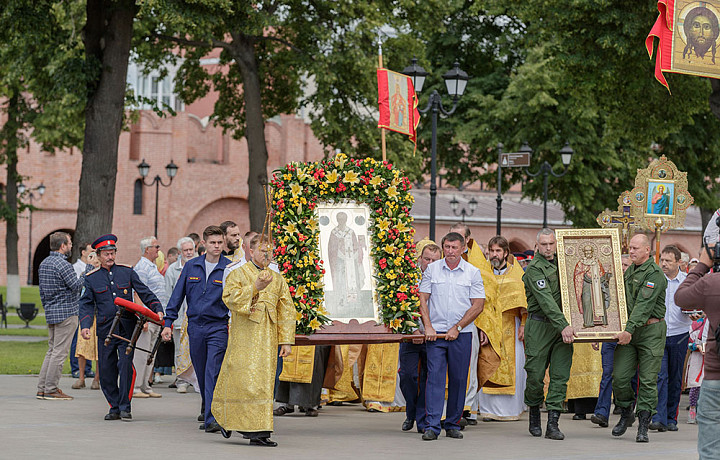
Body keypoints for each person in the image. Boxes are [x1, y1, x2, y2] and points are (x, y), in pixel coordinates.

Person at [213, 235, 296, 447]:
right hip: (245, 337)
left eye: (270, 252)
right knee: (243, 381)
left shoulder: (277, 279)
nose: (267, 255)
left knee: (265, 384)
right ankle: (230, 419)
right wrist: (255, 287)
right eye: (263, 251)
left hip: (268, 339)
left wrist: (286, 340)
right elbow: (229, 299)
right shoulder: (238, 273)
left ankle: (260, 431)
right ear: (251, 251)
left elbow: (286, 309)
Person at [79, 234, 162, 421]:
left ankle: (125, 406)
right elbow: (85, 304)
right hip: (105, 330)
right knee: (107, 371)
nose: (110, 257)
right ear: (98, 256)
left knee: (125, 366)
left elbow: (144, 292)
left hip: (127, 328)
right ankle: (114, 406)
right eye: (106, 254)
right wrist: (85, 325)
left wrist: (157, 308)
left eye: (112, 253)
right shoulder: (91, 278)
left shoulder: (127, 272)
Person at [162, 226, 231, 432]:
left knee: (212, 371)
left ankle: (211, 418)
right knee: (201, 372)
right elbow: (177, 296)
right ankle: (207, 406)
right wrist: (168, 323)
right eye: (213, 243)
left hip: (217, 327)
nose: (217, 246)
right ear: (204, 244)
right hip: (196, 327)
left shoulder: (229, 268)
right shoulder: (192, 267)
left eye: (220, 242)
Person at [418, 232, 485, 441]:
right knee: (434, 379)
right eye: (447, 247)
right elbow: (423, 298)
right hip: (436, 335)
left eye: (455, 247)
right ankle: (432, 425)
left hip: (461, 334)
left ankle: (453, 423)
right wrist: (427, 326)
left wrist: (458, 326)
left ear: (463, 248)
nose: (450, 252)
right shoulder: (432, 269)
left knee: (458, 379)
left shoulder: (472, 273)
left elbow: (478, 305)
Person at [611, 234, 667, 443]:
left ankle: (643, 423)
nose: (631, 251)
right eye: (630, 248)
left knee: (648, 380)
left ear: (647, 250)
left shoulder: (655, 274)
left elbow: (644, 306)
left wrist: (629, 329)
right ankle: (627, 412)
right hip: (629, 332)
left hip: (650, 331)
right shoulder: (628, 272)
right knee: (620, 378)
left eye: (635, 248)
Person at [523, 228, 575, 440]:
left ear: (556, 244)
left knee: (560, 376)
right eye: (543, 244)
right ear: (537, 245)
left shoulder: (565, 264)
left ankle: (553, 422)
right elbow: (546, 301)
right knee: (535, 375)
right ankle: (534, 411)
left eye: (551, 244)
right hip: (540, 327)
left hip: (563, 328)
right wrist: (563, 324)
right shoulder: (534, 268)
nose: (547, 248)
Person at [674, 241, 720, 459]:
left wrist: (702, 265)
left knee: (710, 449)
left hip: (715, 375)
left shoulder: (712, 283)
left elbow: (681, 298)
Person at [475, 236, 528, 422]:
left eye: (498, 251)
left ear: (506, 252)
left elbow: (524, 301)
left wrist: (523, 324)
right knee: (488, 362)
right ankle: (488, 410)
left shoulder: (517, 274)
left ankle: (511, 409)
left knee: (514, 366)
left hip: (510, 326)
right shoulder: (482, 273)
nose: (494, 254)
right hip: (489, 327)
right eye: (492, 251)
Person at [591, 253, 638, 428]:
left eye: (626, 265)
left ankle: (627, 410)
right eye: (621, 265)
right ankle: (602, 412)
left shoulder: (635, 285)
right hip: (610, 335)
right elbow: (600, 308)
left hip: (631, 336)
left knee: (630, 376)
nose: (623, 268)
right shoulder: (608, 285)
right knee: (608, 373)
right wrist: (596, 334)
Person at [37, 232, 85, 401]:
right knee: (59, 353)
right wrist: (89, 270)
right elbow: (76, 286)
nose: (71, 246)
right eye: (69, 243)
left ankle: (42, 388)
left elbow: (42, 291)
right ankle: (51, 389)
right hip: (66, 313)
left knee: (51, 351)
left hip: (51, 312)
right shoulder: (63, 265)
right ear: (62, 246)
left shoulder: (44, 263)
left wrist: (48, 308)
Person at [399, 239, 441, 432]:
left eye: (434, 260)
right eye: (426, 259)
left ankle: (421, 419)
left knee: (428, 377)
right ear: (419, 259)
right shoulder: (408, 279)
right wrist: (413, 330)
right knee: (408, 375)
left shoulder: (442, 278)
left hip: (433, 337)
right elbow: (401, 306)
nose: (430, 264)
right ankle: (412, 410)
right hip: (411, 335)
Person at [650, 245, 690, 432]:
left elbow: (694, 305)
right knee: (660, 376)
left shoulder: (687, 282)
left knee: (675, 378)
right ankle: (658, 417)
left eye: (668, 261)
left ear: (679, 262)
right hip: (658, 334)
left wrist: (694, 312)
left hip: (680, 334)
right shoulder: (656, 279)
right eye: (662, 260)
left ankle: (671, 417)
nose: (663, 264)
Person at [449, 222, 484, 424]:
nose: (455, 242)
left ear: (467, 241)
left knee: (468, 368)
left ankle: (467, 408)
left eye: (460, 238)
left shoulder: (477, 266)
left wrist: (484, 327)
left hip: (470, 325)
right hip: (444, 326)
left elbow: (485, 301)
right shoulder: (444, 261)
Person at [132, 236, 169, 399]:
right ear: (147, 249)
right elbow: (138, 292)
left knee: (150, 353)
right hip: (147, 317)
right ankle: (136, 386)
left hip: (156, 317)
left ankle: (146, 384)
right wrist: (142, 316)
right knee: (142, 352)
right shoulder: (142, 267)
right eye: (156, 246)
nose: (158, 249)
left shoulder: (152, 266)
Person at [164, 236, 199, 394]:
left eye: (191, 250)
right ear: (180, 252)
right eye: (186, 250)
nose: (189, 253)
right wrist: (168, 319)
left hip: (197, 317)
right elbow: (169, 294)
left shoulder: (200, 265)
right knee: (179, 349)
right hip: (179, 317)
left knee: (196, 349)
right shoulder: (173, 269)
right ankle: (181, 380)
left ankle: (196, 379)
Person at [72, 252, 101, 390]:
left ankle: (97, 379)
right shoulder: (86, 274)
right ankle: (81, 378)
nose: (95, 264)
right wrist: (89, 268)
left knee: (99, 349)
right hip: (87, 316)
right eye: (93, 262)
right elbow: (81, 292)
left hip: (100, 315)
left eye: (97, 262)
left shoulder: (105, 274)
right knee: (82, 348)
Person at [70, 241, 94, 380]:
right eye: (90, 251)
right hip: (80, 305)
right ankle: (76, 369)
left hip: (91, 307)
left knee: (88, 338)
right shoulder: (77, 268)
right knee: (77, 339)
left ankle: (87, 368)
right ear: (83, 252)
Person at [685, 314, 708, 425]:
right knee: (695, 386)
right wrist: (697, 346)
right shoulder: (695, 324)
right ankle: (693, 409)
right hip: (697, 359)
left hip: (711, 358)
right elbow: (688, 343)